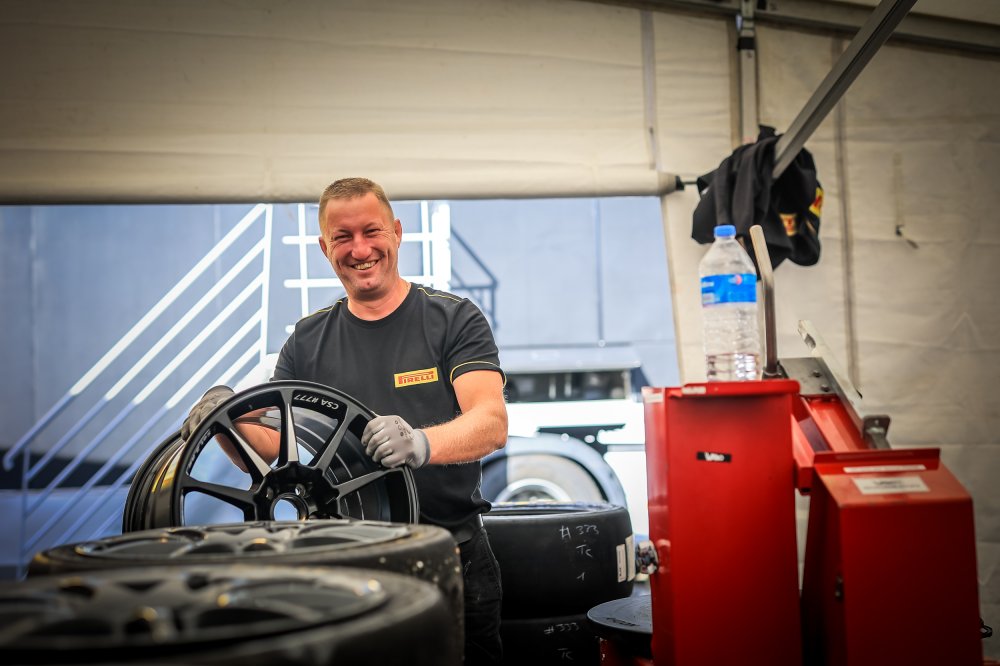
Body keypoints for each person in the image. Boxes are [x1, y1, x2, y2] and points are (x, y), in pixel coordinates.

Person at [181, 177, 508, 665]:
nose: (360, 249)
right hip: (348, 568)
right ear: (324, 247)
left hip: (452, 558)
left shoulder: (452, 320)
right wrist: (224, 421)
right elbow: (269, 446)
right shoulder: (307, 341)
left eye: (372, 231)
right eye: (343, 237)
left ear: (397, 232)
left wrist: (419, 443)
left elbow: (491, 422)